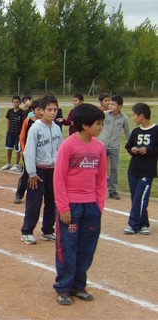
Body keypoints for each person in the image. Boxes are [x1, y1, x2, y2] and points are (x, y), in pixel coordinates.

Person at [53, 104, 107, 305]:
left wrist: (99, 205)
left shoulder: (99, 147)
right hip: (71, 207)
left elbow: (101, 179)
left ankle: (79, 285)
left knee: (86, 248)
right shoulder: (68, 145)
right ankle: (64, 287)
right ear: (84, 125)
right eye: (98, 124)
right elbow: (59, 178)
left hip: (91, 207)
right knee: (68, 247)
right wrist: (64, 207)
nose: (101, 127)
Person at [21, 95, 63, 245]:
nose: (52, 113)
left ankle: (47, 230)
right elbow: (29, 151)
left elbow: (60, 150)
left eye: (55, 110)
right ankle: (27, 231)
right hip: (39, 171)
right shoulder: (35, 129)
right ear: (42, 111)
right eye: (49, 110)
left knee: (52, 202)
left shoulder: (57, 129)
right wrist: (32, 173)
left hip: (53, 170)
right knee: (34, 202)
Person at [123, 103, 158, 235]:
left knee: (140, 198)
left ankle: (132, 224)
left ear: (141, 116)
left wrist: (148, 150)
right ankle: (143, 223)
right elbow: (128, 146)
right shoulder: (136, 131)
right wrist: (132, 150)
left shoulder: (156, 130)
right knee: (135, 198)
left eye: (134, 115)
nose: (133, 118)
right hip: (133, 170)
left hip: (146, 171)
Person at [98, 95, 130, 200]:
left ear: (119, 106)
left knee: (114, 169)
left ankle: (113, 190)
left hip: (114, 146)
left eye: (113, 104)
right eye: (110, 103)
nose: (110, 106)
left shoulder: (124, 118)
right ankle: (98, 188)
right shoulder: (104, 115)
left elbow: (127, 133)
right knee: (99, 167)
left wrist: (129, 146)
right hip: (102, 145)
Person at [14, 100, 43, 204]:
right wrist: (22, 149)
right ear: (33, 110)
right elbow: (22, 136)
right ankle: (19, 194)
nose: (40, 112)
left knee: (41, 174)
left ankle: (37, 196)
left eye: (42, 109)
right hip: (28, 152)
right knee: (27, 173)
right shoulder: (28, 121)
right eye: (38, 109)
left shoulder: (45, 123)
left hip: (41, 153)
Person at [1, 96, 24, 172]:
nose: (15, 104)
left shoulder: (22, 112)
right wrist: (8, 130)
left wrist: (21, 133)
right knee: (9, 148)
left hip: (18, 133)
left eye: (17, 102)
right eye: (14, 102)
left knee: (18, 149)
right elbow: (8, 120)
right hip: (11, 132)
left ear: (20, 103)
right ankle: (8, 163)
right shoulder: (10, 111)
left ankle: (16, 164)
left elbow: (23, 123)